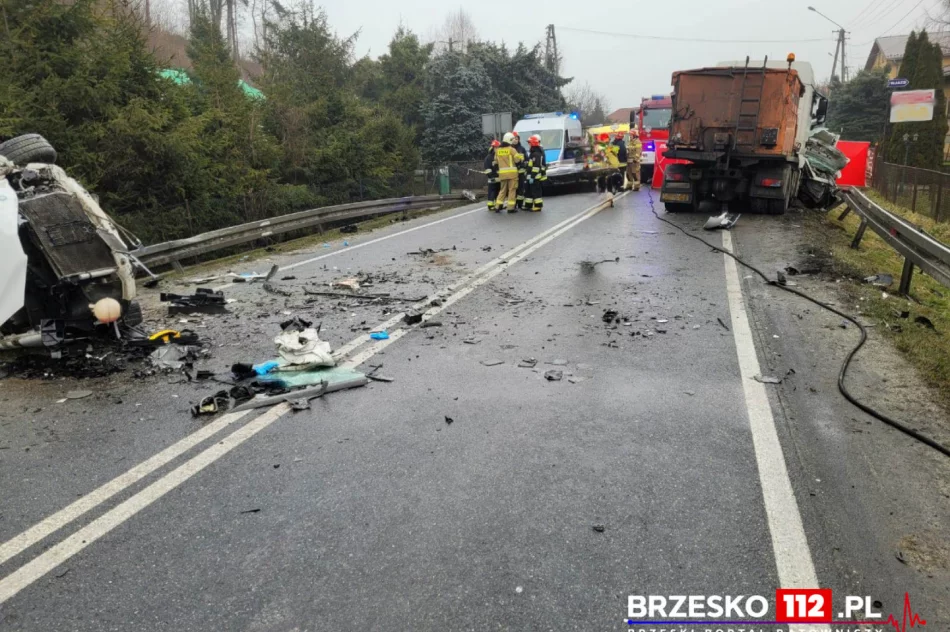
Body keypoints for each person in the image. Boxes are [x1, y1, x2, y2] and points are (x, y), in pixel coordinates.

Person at [493, 132, 524, 212]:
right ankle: (510, 208)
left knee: (502, 190)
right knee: (512, 190)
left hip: (502, 175)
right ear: (509, 140)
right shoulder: (512, 150)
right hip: (512, 175)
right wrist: (521, 160)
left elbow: (495, 163)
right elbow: (518, 161)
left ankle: (497, 206)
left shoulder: (498, 150)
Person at [524, 134, 547, 212]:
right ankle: (528, 205)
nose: (528, 144)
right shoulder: (533, 153)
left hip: (535, 177)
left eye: (529, 143)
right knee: (529, 192)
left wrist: (532, 177)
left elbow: (536, 167)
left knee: (536, 192)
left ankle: (538, 206)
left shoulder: (536, 154)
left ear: (533, 144)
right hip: (531, 176)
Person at [511, 132, 528, 209]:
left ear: (518, 139)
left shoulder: (522, 149)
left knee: (521, 188)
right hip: (512, 173)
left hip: (521, 173)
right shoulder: (509, 149)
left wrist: (524, 165)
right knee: (513, 189)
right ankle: (513, 204)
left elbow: (527, 159)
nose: (515, 140)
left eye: (516, 138)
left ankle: (520, 204)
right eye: (513, 138)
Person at [483, 139, 501, 211]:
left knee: (498, 192)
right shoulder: (489, 157)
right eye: (496, 147)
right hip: (492, 178)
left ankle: (497, 205)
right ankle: (490, 206)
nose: (497, 149)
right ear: (493, 148)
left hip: (499, 178)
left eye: (498, 147)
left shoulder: (499, 156)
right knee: (492, 192)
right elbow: (487, 168)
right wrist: (491, 176)